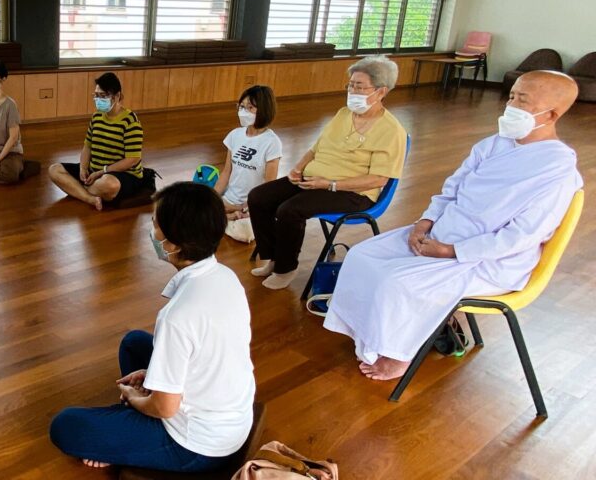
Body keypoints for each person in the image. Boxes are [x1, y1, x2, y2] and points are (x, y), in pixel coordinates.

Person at [324, 71, 582, 381]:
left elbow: (522, 236)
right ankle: (365, 332)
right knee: (362, 256)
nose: (510, 104)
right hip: (441, 232)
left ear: (551, 114)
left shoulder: (557, 170)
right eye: (511, 95)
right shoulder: (494, 144)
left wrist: (450, 251)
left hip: (487, 259)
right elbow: (452, 188)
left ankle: (398, 353)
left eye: (521, 100)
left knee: (399, 283)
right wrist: (424, 223)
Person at [49, 182, 255, 472]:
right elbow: (206, 354)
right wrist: (154, 376)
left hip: (197, 446)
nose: (151, 230)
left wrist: (135, 399)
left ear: (174, 244)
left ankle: (126, 441)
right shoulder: (225, 276)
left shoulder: (178, 315)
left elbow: (165, 408)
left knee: (65, 426)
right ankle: (127, 434)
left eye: (156, 225)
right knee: (134, 342)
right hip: (231, 419)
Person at [248, 55, 408, 289]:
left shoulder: (393, 131)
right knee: (259, 197)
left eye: (359, 86)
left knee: (290, 210)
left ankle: (286, 269)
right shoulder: (343, 114)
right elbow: (316, 147)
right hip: (315, 179)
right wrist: (298, 167)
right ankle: (273, 258)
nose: (352, 90)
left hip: (353, 192)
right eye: (351, 85)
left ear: (381, 92)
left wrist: (329, 183)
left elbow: (379, 179)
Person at [48, 72, 145, 210]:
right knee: (54, 170)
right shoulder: (96, 117)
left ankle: (77, 189)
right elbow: (87, 146)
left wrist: (102, 172)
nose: (98, 100)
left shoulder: (131, 121)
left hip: (120, 174)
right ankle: (90, 198)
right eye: (96, 95)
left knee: (110, 185)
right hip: (95, 171)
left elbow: (133, 159)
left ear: (117, 96)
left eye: (103, 96)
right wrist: (83, 167)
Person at [214, 85, 282, 242]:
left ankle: (224, 219)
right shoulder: (235, 135)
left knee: (244, 234)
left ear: (264, 109)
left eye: (250, 108)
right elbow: (226, 172)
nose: (243, 112)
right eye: (242, 107)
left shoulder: (272, 143)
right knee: (199, 208)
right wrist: (213, 197)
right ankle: (228, 217)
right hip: (229, 200)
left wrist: (243, 207)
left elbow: (268, 187)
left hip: (251, 205)